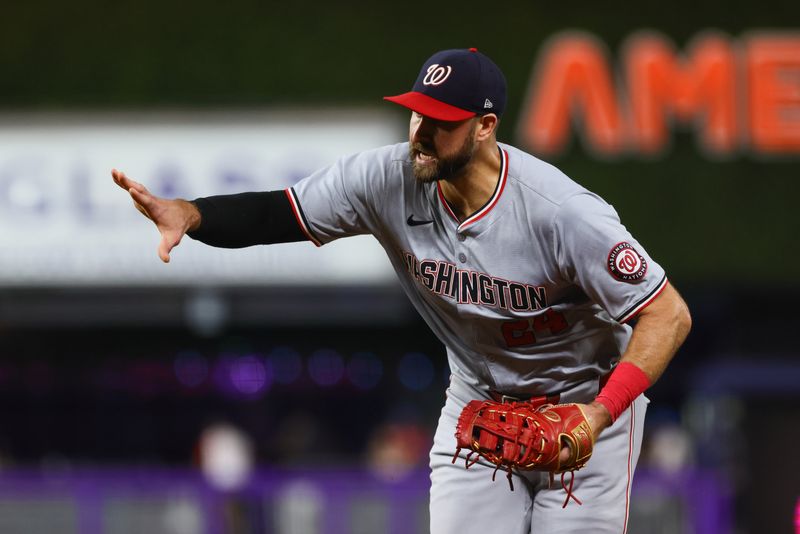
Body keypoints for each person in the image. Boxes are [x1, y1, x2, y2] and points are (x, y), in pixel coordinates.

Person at [113, 48, 691, 533]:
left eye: (442, 120)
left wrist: (598, 415)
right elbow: (280, 214)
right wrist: (190, 215)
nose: (421, 131)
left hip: (583, 407)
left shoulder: (561, 214)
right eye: (416, 113)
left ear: (485, 127)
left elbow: (668, 314)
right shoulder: (386, 178)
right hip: (481, 404)